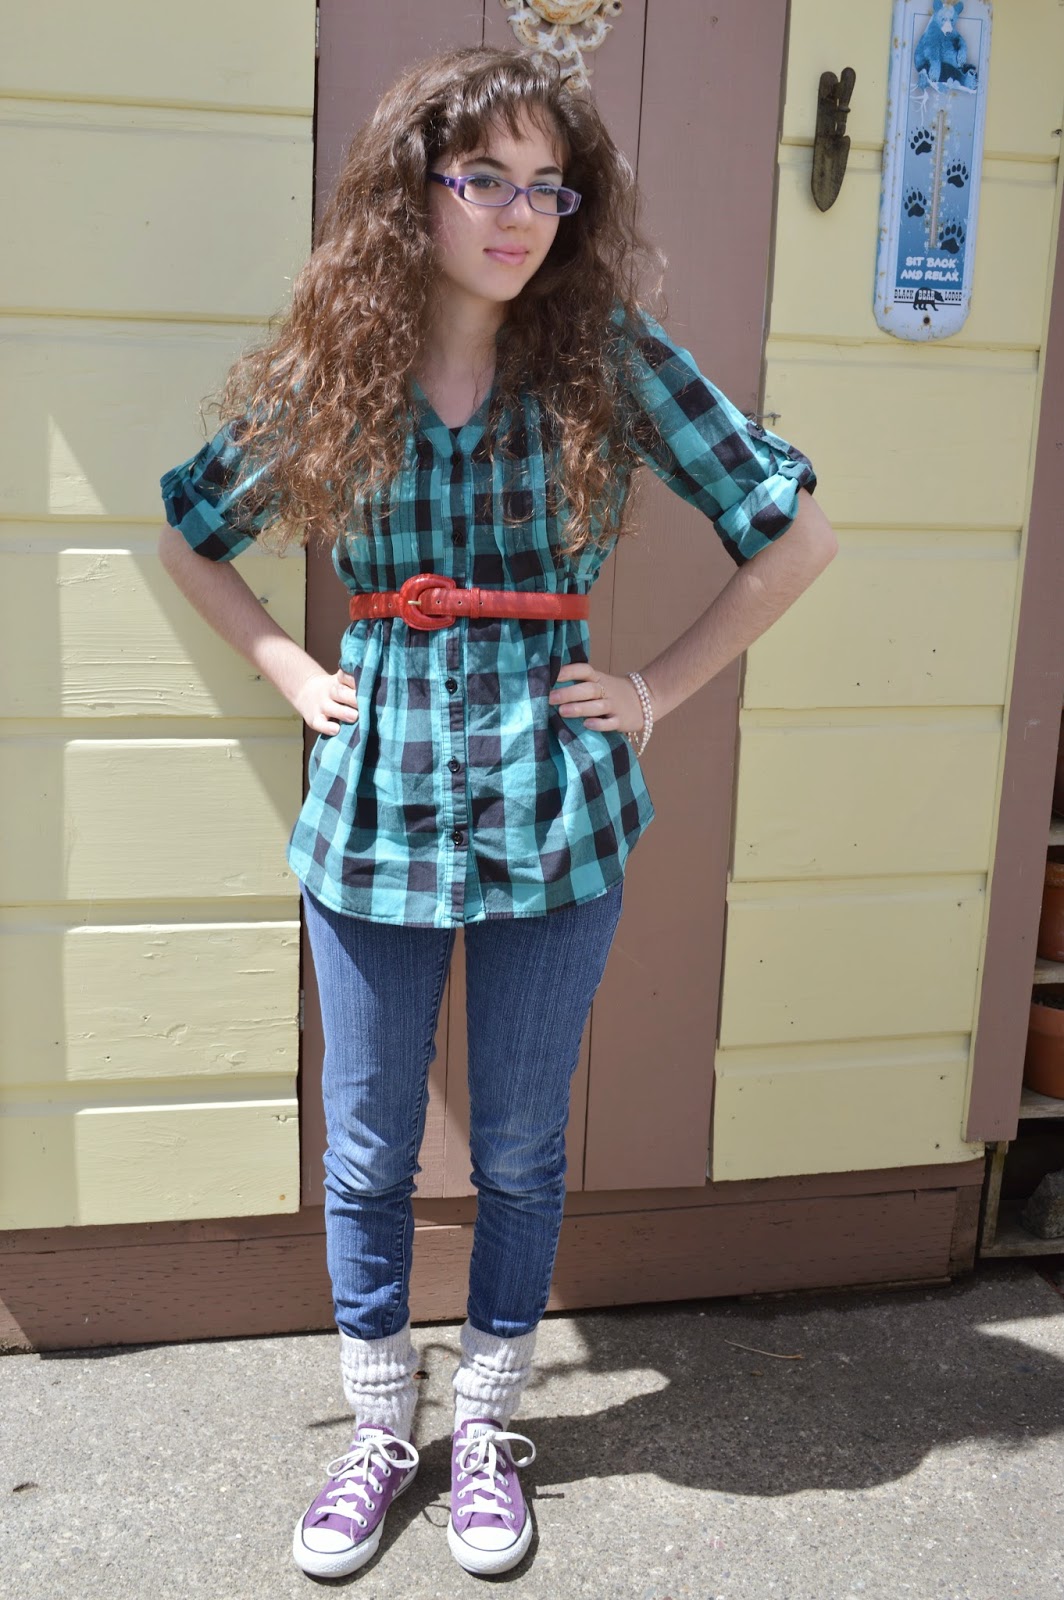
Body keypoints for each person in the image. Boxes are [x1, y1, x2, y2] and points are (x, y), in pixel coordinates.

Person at [158, 43, 836, 1582]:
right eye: (485, 179)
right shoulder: (338, 363)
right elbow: (194, 531)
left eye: (549, 187)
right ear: (418, 191)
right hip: (376, 801)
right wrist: (289, 669)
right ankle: (379, 1433)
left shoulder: (604, 357)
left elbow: (795, 536)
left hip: (555, 807)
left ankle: (483, 1431)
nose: (520, 214)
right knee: (369, 1144)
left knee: (522, 1146)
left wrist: (653, 690)